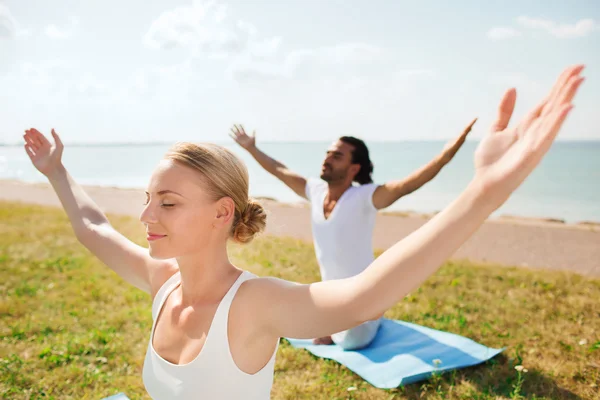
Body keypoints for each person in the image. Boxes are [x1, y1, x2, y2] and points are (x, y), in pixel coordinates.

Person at [22, 65, 584, 400]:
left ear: (223, 214)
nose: (146, 217)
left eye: (167, 203)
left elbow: (367, 296)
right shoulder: (160, 281)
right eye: (148, 200)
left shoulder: (255, 304)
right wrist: (57, 172)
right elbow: (94, 227)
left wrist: (482, 193)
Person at [230, 119, 476, 349]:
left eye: (337, 156)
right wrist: (252, 148)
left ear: (354, 167)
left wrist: (446, 155)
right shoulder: (315, 191)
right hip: (330, 297)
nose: (327, 159)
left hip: (364, 299)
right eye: (328, 153)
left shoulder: (365, 197)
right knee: (282, 311)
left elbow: (407, 185)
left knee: (350, 342)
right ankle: (330, 323)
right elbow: (279, 169)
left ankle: (358, 320)